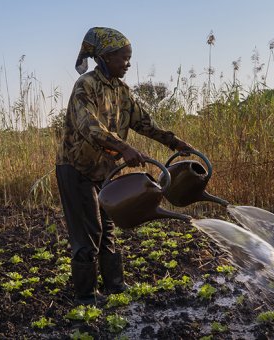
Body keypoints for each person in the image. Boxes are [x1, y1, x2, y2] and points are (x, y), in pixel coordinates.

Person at [55, 27, 195, 305]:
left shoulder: (121, 90)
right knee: (88, 232)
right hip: (76, 168)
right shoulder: (86, 85)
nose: (128, 64)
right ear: (105, 57)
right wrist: (124, 148)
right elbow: (88, 126)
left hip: (106, 170)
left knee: (107, 228)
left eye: (129, 58)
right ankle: (85, 297)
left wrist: (176, 143)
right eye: (124, 58)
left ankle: (115, 287)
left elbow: (144, 123)